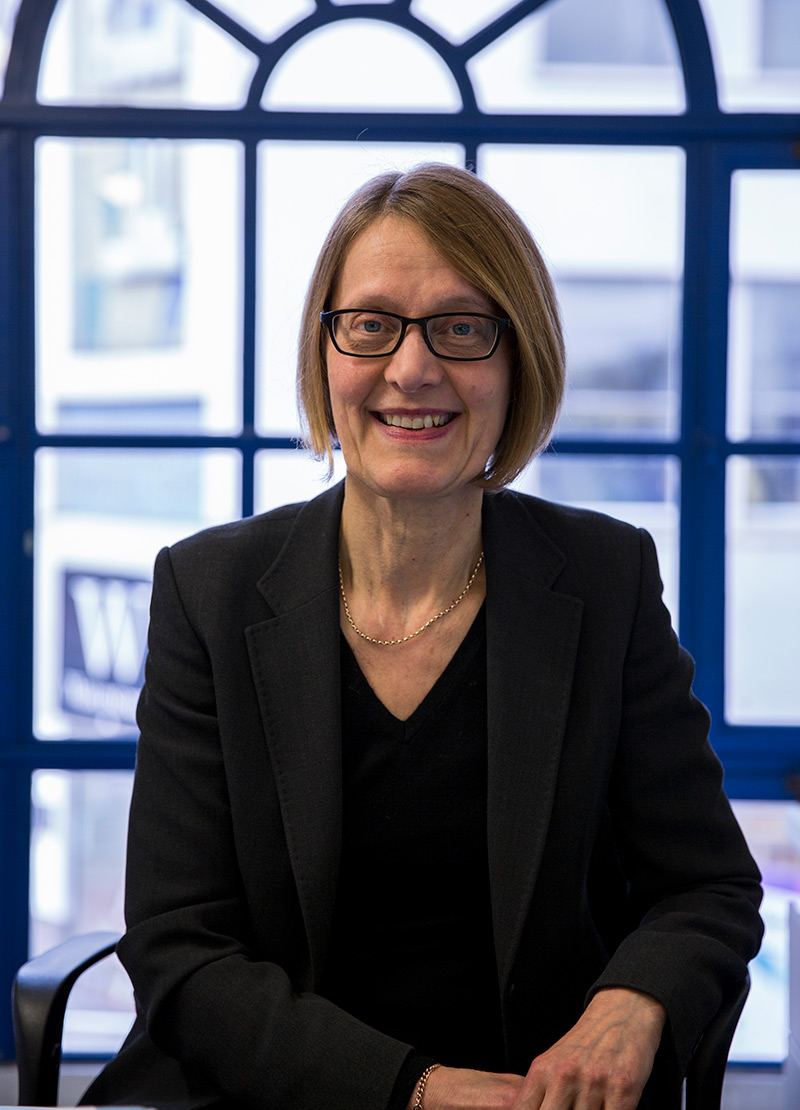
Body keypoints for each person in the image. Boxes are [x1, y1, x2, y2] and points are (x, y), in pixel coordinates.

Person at [84, 163, 763, 1110]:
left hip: (535, 1095)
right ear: (324, 354)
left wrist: (632, 1002)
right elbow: (180, 945)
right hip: (265, 1092)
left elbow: (707, 887)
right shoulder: (210, 590)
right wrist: (418, 1091)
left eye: (462, 327)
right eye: (371, 325)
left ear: (519, 360)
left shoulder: (606, 579)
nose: (411, 369)